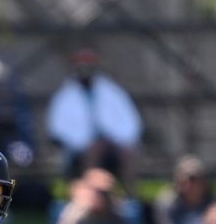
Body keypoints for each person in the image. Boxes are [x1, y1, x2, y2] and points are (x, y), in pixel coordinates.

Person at [45, 48, 143, 188]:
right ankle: (90, 193)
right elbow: (58, 128)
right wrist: (83, 142)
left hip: (113, 143)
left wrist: (120, 139)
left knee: (127, 155)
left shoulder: (112, 91)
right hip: (81, 149)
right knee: (94, 151)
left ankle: (131, 196)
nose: (85, 71)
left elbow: (130, 121)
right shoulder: (65, 96)